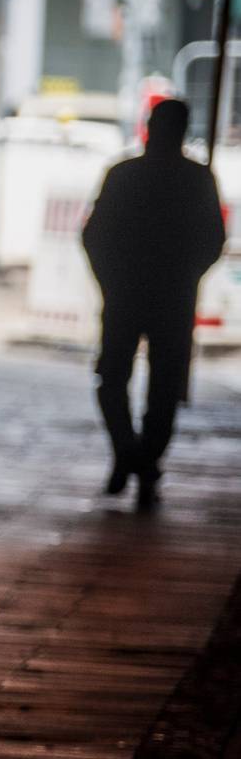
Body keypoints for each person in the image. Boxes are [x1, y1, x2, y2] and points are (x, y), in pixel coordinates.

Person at [82, 97, 226, 511]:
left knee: (112, 379)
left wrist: (110, 283)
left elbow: (94, 237)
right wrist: (185, 278)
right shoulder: (196, 179)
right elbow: (212, 241)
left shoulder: (123, 175)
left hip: (125, 295)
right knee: (163, 388)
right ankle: (144, 461)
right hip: (173, 299)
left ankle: (129, 456)